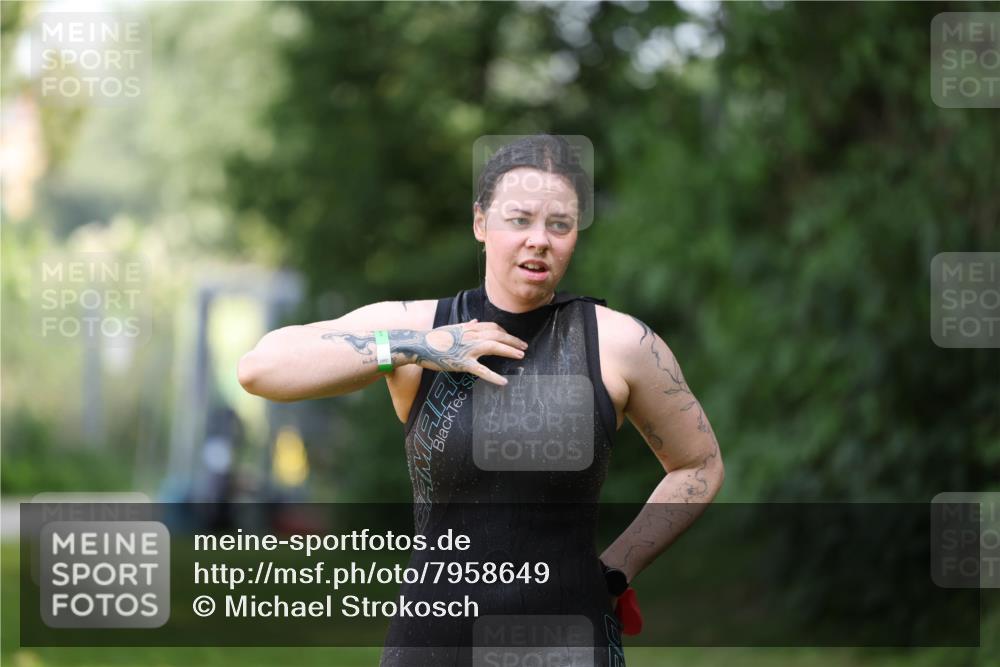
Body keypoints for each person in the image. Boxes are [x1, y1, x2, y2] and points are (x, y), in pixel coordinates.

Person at [238, 134, 724, 666]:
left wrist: (617, 569)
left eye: (559, 224)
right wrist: (418, 347)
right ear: (480, 224)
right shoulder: (420, 327)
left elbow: (698, 464)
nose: (539, 239)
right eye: (519, 219)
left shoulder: (619, 344)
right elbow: (261, 368)